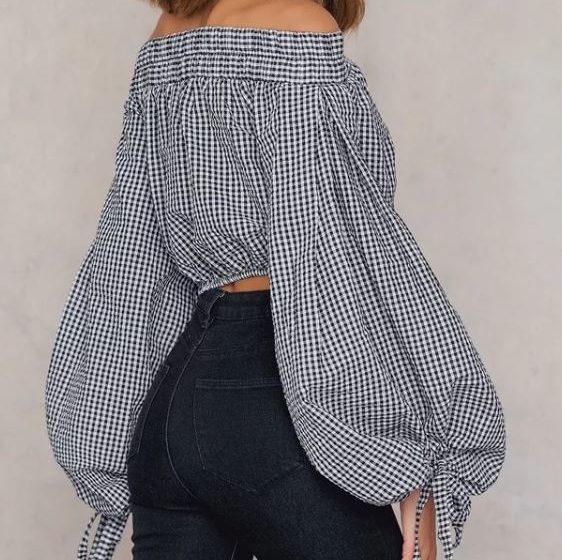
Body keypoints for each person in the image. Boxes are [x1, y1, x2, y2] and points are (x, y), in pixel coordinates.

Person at [44, 1, 507, 560]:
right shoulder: (302, 26)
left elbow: (129, 253)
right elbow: (335, 254)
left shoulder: (165, 37)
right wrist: (416, 464)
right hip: (274, 403)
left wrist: (105, 421)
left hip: (170, 413)